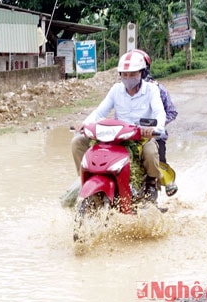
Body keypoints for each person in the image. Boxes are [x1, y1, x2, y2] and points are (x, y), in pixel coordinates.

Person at [71, 51, 166, 200]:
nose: (128, 78)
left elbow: (160, 113)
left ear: (142, 73)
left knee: (150, 152)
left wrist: (154, 129)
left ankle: (151, 184)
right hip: (116, 136)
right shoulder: (116, 89)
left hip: (140, 136)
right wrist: (84, 124)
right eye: (124, 75)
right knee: (77, 142)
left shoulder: (151, 90)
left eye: (133, 74)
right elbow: (100, 112)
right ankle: (85, 177)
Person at [131, 49, 178, 196]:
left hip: (153, 136)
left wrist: (156, 126)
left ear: (144, 70)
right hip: (131, 136)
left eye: (136, 71)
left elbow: (171, 112)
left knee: (154, 164)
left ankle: (154, 189)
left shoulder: (157, 88)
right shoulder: (123, 90)